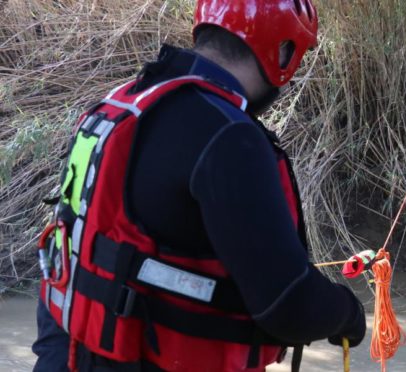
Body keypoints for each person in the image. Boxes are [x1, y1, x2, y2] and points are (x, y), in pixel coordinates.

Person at [31, 0, 365, 371]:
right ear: (283, 52)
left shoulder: (121, 104)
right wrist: (346, 313)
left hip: (64, 352)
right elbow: (289, 307)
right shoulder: (227, 134)